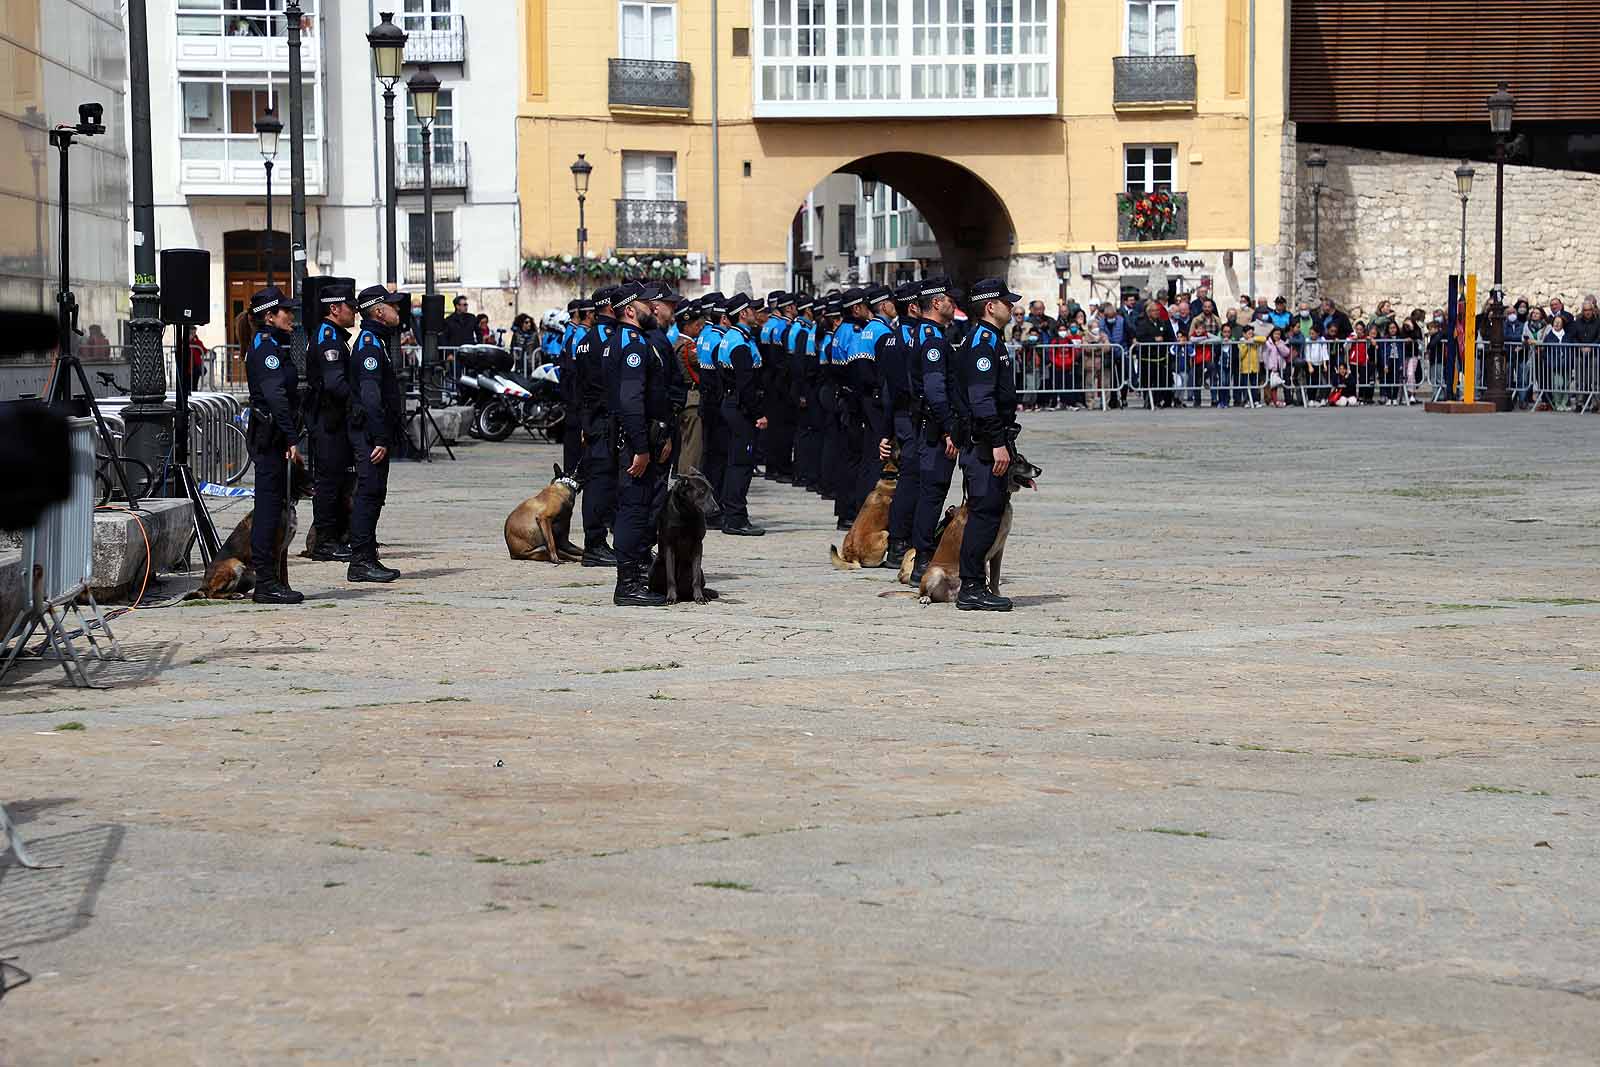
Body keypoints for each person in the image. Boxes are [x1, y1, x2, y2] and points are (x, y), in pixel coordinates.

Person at [950, 279, 1022, 612]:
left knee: (987, 511)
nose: (1012, 307)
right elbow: (981, 399)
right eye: (1007, 302)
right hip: (984, 444)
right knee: (985, 513)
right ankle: (972, 588)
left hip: (984, 439)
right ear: (990, 306)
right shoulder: (983, 342)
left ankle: (975, 585)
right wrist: (997, 443)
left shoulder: (987, 339)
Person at [605, 283, 672, 606]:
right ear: (631, 309)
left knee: (635, 508)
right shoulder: (632, 345)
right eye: (646, 303)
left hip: (634, 438)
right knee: (633, 511)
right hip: (634, 443)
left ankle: (637, 575)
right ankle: (628, 584)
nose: (653, 308)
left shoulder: (625, 340)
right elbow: (632, 402)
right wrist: (642, 448)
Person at [243, 286, 304, 605]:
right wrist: (291, 437)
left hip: (274, 435)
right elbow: (276, 396)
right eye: (286, 312)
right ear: (269, 316)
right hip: (270, 437)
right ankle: (266, 583)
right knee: (268, 511)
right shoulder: (266, 347)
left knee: (275, 507)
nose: (291, 317)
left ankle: (273, 579)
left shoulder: (274, 344)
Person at [345, 287, 406, 583]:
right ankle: (360, 562)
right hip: (369, 435)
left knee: (374, 495)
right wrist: (380, 437)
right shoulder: (370, 344)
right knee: (368, 496)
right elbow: (370, 396)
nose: (398, 310)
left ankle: (367, 557)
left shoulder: (377, 341)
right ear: (379, 311)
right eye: (393, 306)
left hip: (373, 433)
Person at [910, 277, 960, 584]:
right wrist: (948, 429)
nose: (953, 304)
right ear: (936, 302)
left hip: (928, 425)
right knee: (932, 493)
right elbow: (934, 389)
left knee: (930, 492)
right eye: (949, 299)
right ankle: (922, 560)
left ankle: (922, 555)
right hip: (934, 429)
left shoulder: (927, 334)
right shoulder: (932, 339)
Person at [304, 279, 357, 561]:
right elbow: (335, 384)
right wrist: (357, 403)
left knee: (337, 480)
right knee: (329, 482)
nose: (355, 312)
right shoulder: (328, 338)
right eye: (351, 307)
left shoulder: (334, 335)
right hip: (328, 419)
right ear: (335, 309)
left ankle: (336, 535)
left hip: (333, 419)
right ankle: (325, 541)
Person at [878, 282, 925, 568]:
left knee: (910, 478)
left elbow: (886, 391)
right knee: (912, 479)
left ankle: (901, 540)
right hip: (911, 416)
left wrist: (885, 432)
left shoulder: (891, 338)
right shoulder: (912, 338)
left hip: (899, 416)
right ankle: (899, 543)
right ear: (912, 307)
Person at [574, 289, 619, 565]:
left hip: (593, 418)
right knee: (599, 483)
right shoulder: (604, 338)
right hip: (602, 419)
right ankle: (595, 543)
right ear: (611, 308)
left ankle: (598, 539)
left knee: (602, 481)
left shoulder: (587, 338)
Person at [716, 293, 767, 535]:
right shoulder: (740, 342)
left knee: (735, 463)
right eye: (753, 309)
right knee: (741, 464)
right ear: (743, 313)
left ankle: (731, 514)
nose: (757, 313)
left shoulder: (732, 337)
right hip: (741, 408)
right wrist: (758, 413)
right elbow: (746, 384)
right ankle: (735, 517)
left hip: (731, 404)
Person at [849, 285, 897, 520]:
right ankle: (869, 511)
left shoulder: (867, 330)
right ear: (883, 305)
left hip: (866, 398)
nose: (894, 305)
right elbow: (884, 371)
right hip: (877, 399)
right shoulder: (882, 332)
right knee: (880, 454)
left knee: (869, 454)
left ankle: (860, 507)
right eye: (891, 301)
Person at [694, 293, 729, 522]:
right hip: (716, 402)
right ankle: (715, 509)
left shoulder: (704, 335)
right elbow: (721, 376)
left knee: (710, 457)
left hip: (706, 399)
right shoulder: (718, 339)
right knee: (718, 458)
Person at [761, 291, 798, 483]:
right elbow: (784, 360)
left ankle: (772, 466)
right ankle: (781, 468)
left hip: (769, 378)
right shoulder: (784, 327)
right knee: (783, 427)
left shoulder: (769, 325)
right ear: (790, 307)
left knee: (773, 426)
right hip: (780, 381)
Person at [558, 296, 593, 477]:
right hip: (576, 391)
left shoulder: (577, 333)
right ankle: (572, 470)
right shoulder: (579, 335)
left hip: (575, 390)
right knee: (574, 432)